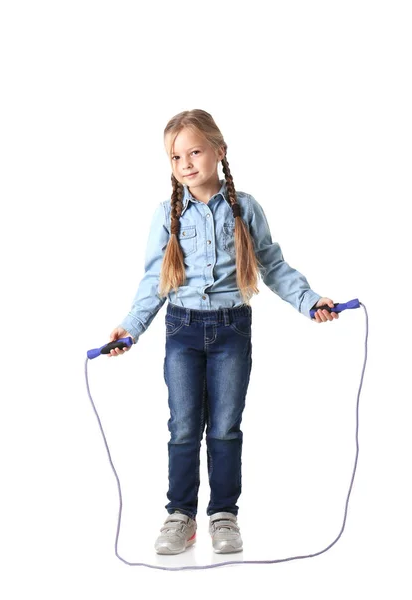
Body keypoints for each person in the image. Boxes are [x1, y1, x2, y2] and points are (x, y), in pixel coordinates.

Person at [107, 109, 339, 555]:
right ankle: (180, 516)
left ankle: (224, 516)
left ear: (219, 151)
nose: (187, 163)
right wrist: (131, 329)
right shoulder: (166, 215)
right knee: (183, 427)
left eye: (195, 151)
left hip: (232, 329)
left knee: (226, 427)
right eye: (177, 157)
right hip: (183, 330)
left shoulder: (245, 208)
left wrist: (310, 301)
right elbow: (155, 281)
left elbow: (272, 265)